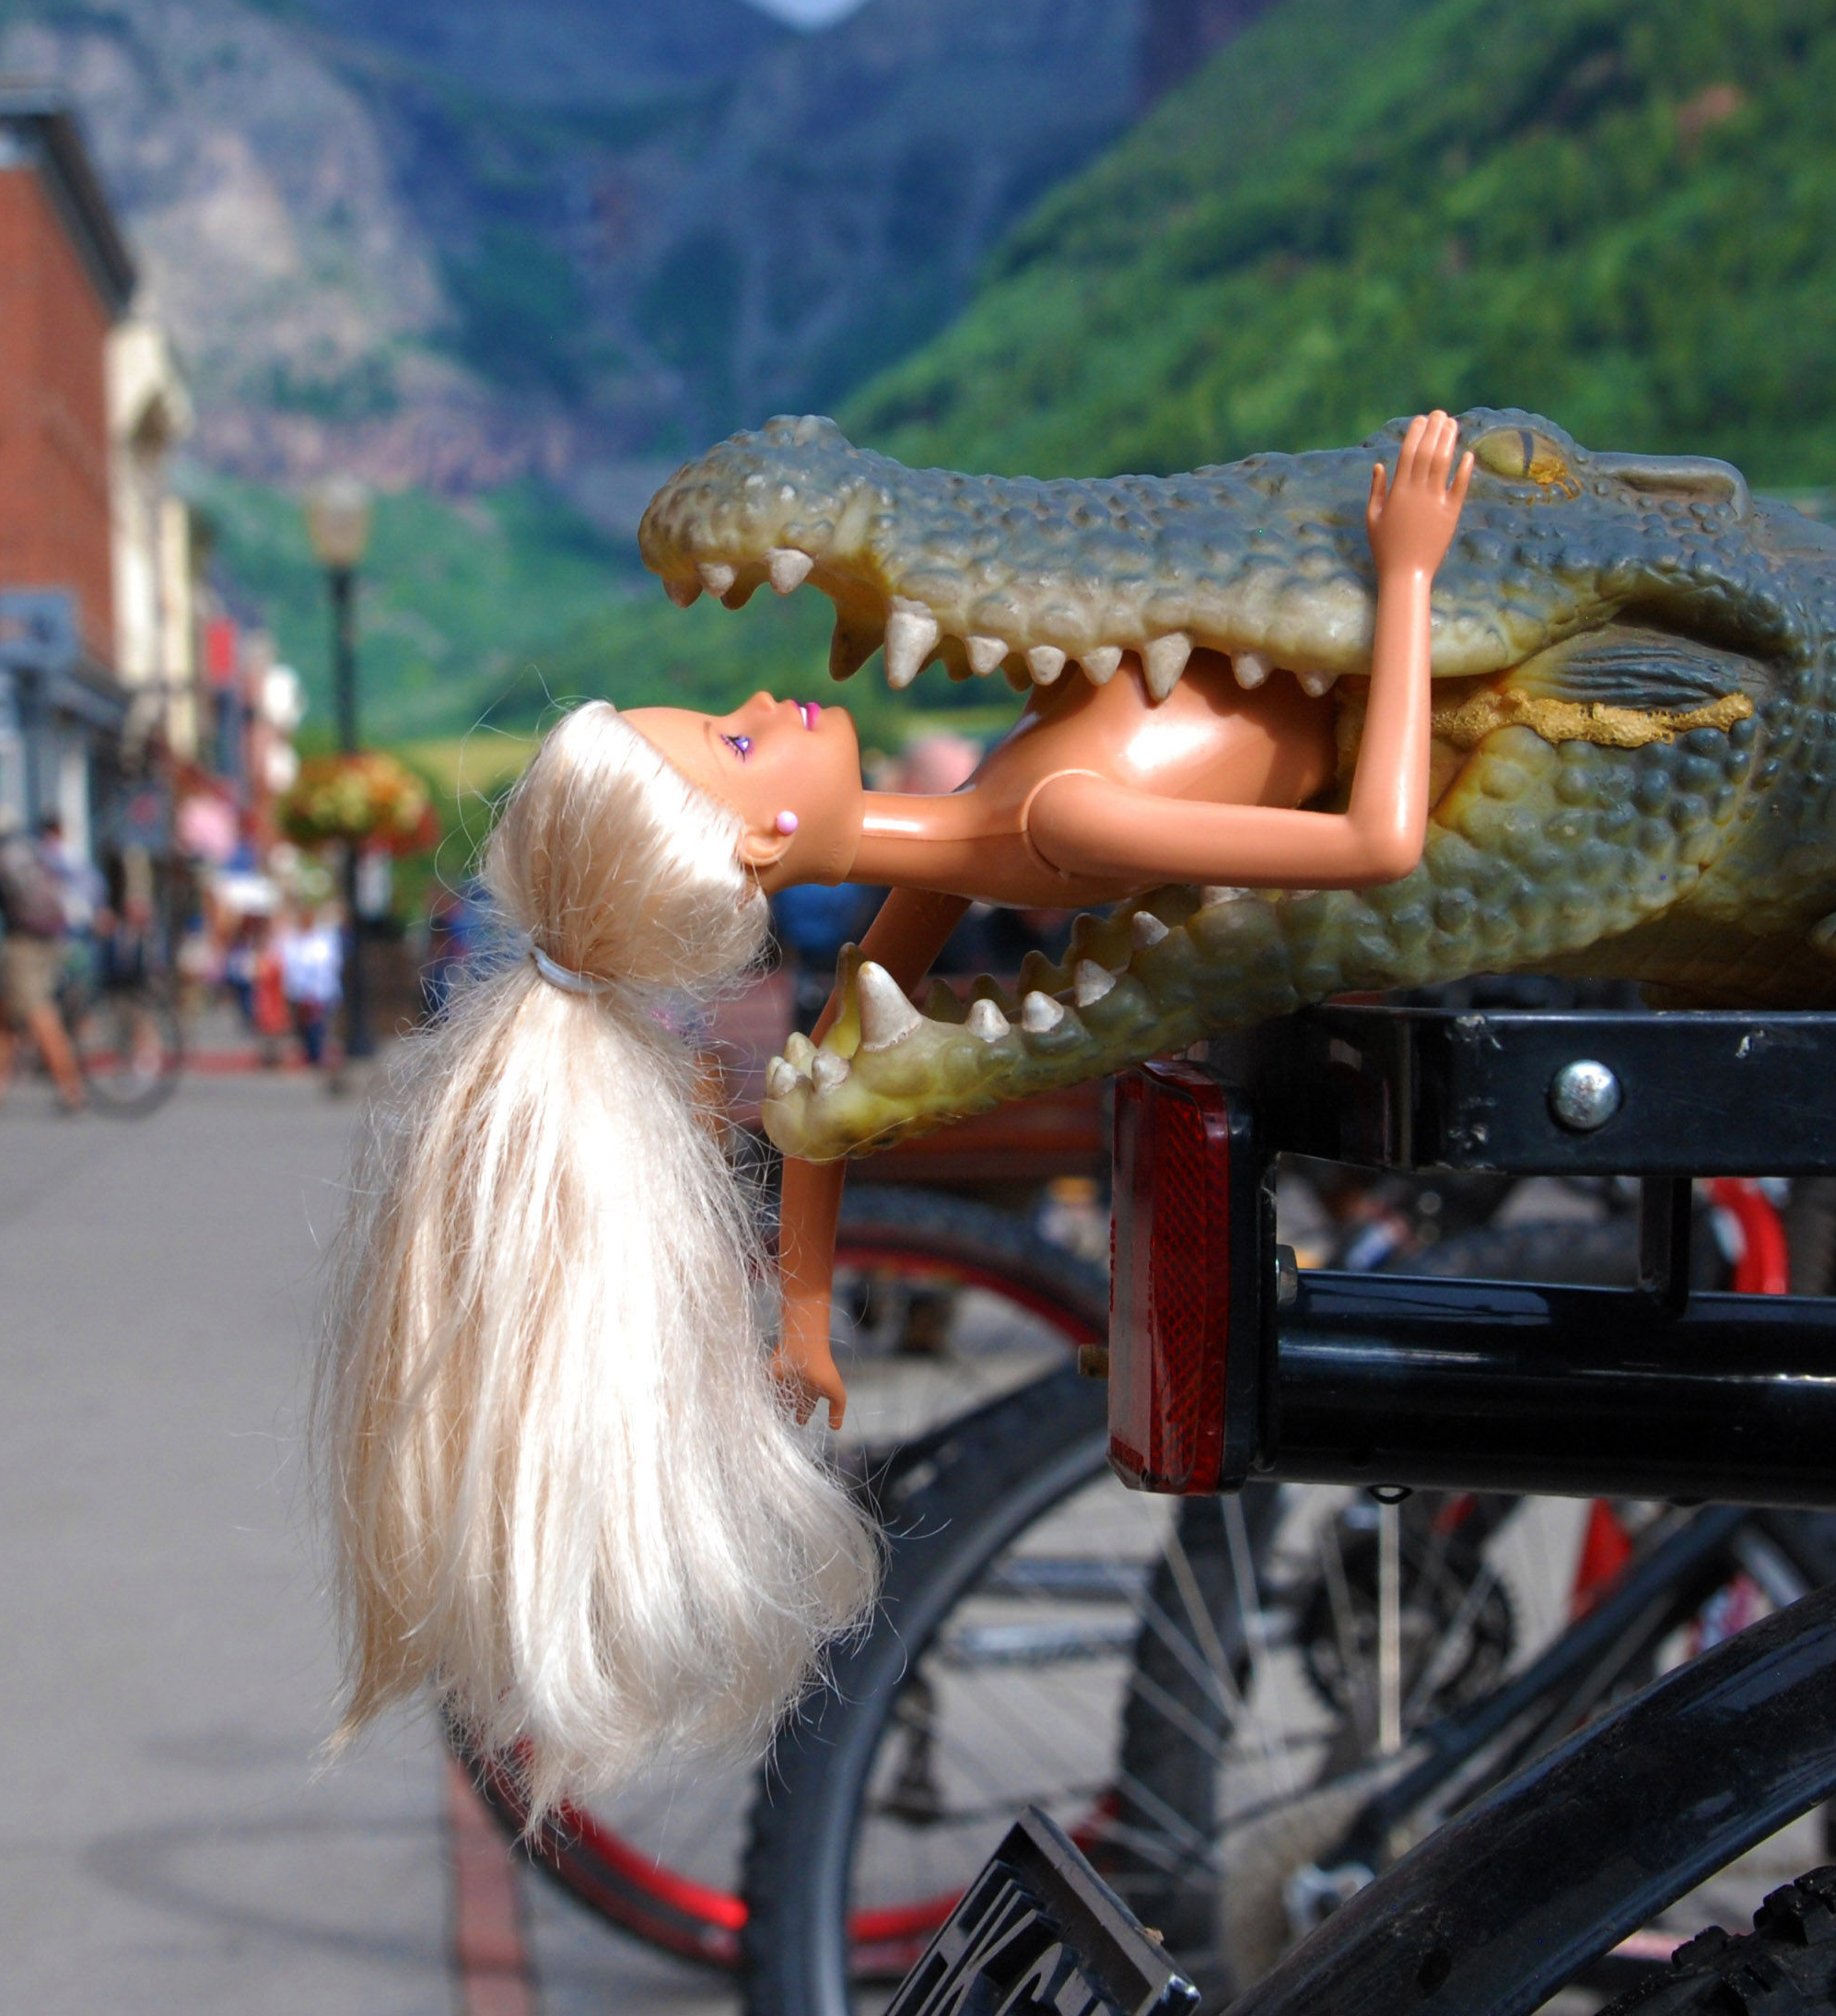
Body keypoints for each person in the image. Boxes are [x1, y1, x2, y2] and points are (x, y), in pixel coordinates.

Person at [323, 410, 1471, 1820]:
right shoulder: (1054, 820)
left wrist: (801, 1307)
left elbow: (819, 1087)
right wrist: (1408, 572)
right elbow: (1376, 838)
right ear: (755, 843)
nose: (771, 704)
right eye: (742, 740)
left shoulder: (967, 829)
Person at [0, 799, 87, 1115]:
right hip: (50, 939)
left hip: (21, 943)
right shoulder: (32, 849)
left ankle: (70, 1086)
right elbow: (74, 882)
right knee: (4, 1013)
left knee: (37, 1012)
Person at [276, 901, 346, 1084]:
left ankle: (319, 1057)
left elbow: (327, 966)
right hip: (300, 994)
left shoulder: (322, 941)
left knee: (319, 1027)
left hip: (320, 992)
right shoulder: (293, 941)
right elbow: (290, 968)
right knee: (305, 1028)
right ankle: (311, 1055)